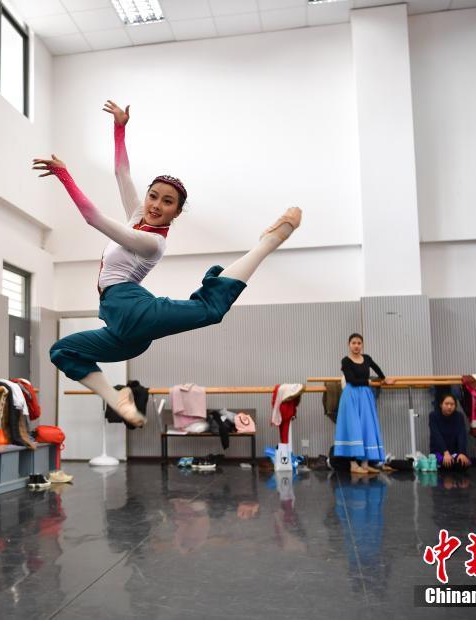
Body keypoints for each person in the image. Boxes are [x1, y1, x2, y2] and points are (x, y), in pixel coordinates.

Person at [34, 101, 301, 426]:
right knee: (62, 351)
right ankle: (116, 399)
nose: (157, 205)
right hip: (121, 330)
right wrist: (120, 128)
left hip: (132, 309)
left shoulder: (152, 242)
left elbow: (93, 217)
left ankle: (267, 243)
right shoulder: (137, 216)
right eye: (153, 196)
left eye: (168, 202)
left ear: (177, 212)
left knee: (210, 310)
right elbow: (121, 172)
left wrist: (64, 175)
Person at [334, 333, 394, 474]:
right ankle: (353, 465)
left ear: (362, 345)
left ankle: (365, 463)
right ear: (349, 345)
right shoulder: (345, 361)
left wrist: (384, 379)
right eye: (353, 343)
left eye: (359, 343)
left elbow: (376, 368)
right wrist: (368, 382)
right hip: (351, 396)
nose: (356, 346)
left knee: (367, 427)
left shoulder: (367, 358)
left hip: (365, 396)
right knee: (354, 428)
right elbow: (351, 380)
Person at [429, 394, 471, 471]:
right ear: (441, 404)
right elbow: (436, 436)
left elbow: (461, 435)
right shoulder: (433, 416)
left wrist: (462, 453)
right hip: (439, 452)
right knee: (446, 464)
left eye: (452, 404)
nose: (449, 407)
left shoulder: (459, 416)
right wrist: (445, 452)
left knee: (463, 463)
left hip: (454, 452)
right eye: (446, 404)